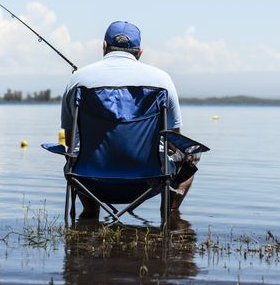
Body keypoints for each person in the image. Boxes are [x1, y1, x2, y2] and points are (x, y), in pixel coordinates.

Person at [60, 21, 195, 219]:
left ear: (104, 46)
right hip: (149, 179)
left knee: (74, 156)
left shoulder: (78, 80)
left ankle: (89, 216)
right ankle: (171, 219)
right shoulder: (162, 80)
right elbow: (174, 142)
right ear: (139, 52)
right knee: (190, 159)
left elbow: (70, 141)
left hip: (88, 179)